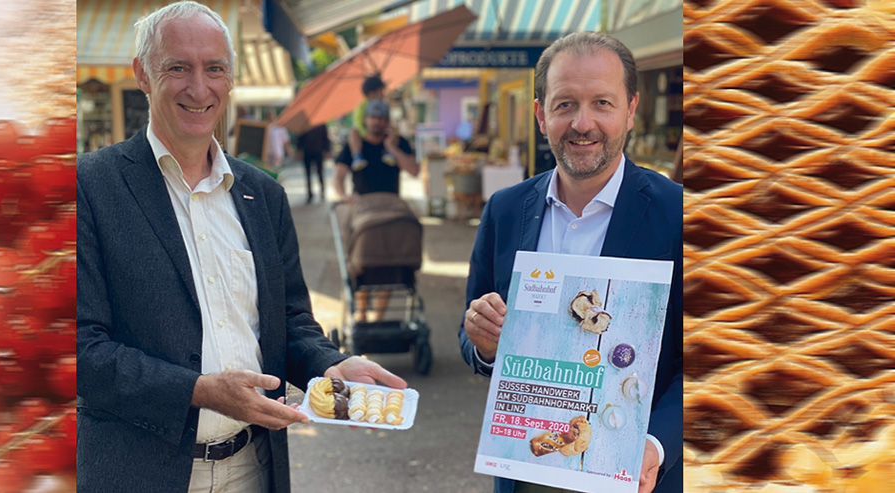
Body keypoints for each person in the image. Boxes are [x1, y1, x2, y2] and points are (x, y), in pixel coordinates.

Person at [76, 3, 406, 492]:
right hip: (139, 471)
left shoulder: (263, 194)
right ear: (143, 75)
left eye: (214, 69)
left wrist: (330, 364)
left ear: (231, 80)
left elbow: (291, 319)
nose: (198, 87)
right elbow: (79, 348)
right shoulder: (91, 185)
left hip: (254, 468)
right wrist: (198, 391)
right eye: (178, 68)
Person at [459, 32, 683, 493]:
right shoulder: (505, 209)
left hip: (637, 471)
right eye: (565, 105)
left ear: (631, 109)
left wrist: (657, 444)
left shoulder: (679, 214)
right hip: (527, 467)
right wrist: (482, 343)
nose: (583, 123)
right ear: (541, 115)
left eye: (602, 102)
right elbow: (472, 333)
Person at [334, 99, 419, 323]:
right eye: (374, 118)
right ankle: (361, 316)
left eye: (382, 119)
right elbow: (339, 177)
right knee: (362, 261)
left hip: (392, 209)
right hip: (363, 209)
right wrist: (345, 196)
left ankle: (379, 319)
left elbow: (414, 170)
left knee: (390, 261)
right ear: (366, 120)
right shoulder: (354, 144)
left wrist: (392, 148)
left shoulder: (399, 143)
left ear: (387, 121)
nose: (377, 123)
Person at [348, 74, 386, 171]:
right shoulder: (363, 107)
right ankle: (357, 156)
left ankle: (390, 153)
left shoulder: (383, 105)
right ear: (372, 93)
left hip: (380, 134)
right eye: (381, 92)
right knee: (353, 134)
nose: (383, 94)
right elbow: (358, 123)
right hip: (364, 134)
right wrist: (365, 134)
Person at [295, 123, 331, 203]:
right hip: (307, 152)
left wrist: (327, 150)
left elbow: (325, 138)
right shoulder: (304, 125)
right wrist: (299, 150)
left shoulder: (321, 124)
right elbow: (300, 138)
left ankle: (322, 192)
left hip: (319, 152)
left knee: (320, 172)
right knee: (308, 174)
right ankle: (310, 194)